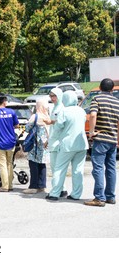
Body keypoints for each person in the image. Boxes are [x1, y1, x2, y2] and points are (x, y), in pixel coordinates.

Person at [45, 91, 88, 201]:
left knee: (60, 168)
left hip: (67, 144)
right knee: (78, 170)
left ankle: (55, 193)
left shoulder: (64, 111)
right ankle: (76, 194)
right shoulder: (81, 110)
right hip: (82, 144)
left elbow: (58, 127)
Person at [84, 78, 119, 207]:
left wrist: (92, 132)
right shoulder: (117, 102)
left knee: (98, 168)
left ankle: (99, 198)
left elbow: (93, 115)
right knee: (111, 168)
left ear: (99, 87)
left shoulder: (97, 99)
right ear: (111, 89)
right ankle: (110, 196)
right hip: (113, 139)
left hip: (101, 138)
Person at [0, 93, 19, 192]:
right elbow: (16, 126)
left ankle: (4, 186)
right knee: (9, 163)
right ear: (4, 102)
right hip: (11, 141)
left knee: (2, 164)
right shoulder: (11, 112)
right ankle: (10, 185)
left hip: (0, 142)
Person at [22, 98, 50, 194]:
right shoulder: (48, 117)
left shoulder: (35, 116)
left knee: (33, 164)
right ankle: (42, 185)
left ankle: (33, 186)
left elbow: (27, 128)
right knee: (42, 164)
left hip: (35, 144)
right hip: (45, 144)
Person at [45, 87, 68, 198]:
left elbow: (60, 125)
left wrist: (51, 122)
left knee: (56, 168)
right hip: (53, 140)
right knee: (55, 168)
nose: (52, 98)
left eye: (54, 96)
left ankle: (56, 190)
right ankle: (61, 189)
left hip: (58, 141)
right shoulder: (55, 108)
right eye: (51, 96)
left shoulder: (61, 109)